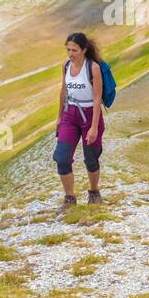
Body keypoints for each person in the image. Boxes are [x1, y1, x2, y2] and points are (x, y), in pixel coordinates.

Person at [53, 31, 105, 206]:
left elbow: (97, 98)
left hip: (90, 114)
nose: (70, 54)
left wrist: (94, 127)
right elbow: (63, 91)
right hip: (70, 114)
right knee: (62, 158)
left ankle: (94, 192)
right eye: (68, 50)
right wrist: (59, 117)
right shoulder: (66, 66)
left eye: (74, 50)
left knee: (91, 158)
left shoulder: (93, 68)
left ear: (83, 50)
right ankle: (69, 198)